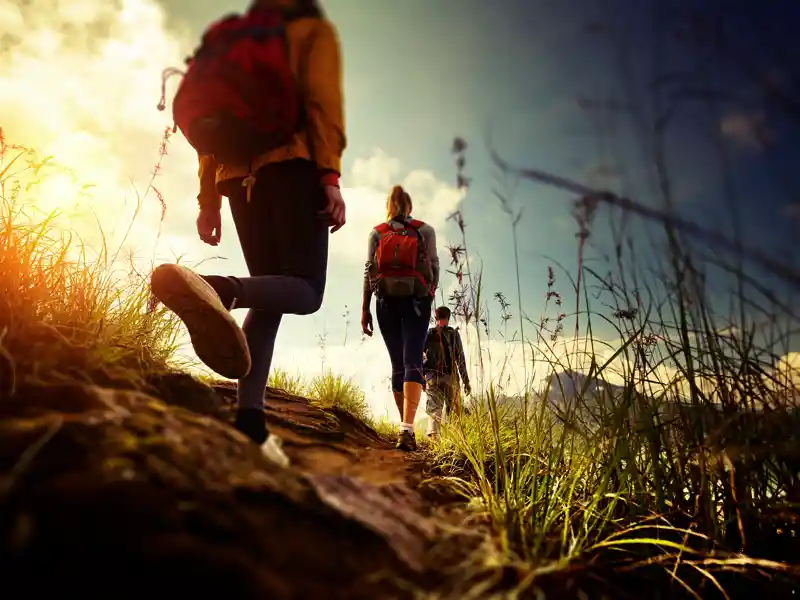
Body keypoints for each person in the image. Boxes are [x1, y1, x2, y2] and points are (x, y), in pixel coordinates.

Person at [149, 0, 346, 467]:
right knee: (307, 289)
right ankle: (218, 290)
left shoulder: (232, 37)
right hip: (294, 168)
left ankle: (250, 423)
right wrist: (330, 179)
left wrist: (209, 200)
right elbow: (322, 103)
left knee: (271, 294)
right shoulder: (310, 31)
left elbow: (210, 134)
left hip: (237, 179)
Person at [361, 185, 439, 451]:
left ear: (389, 207)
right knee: (413, 360)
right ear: (409, 206)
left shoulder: (377, 232)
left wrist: (365, 308)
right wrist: (428, 294)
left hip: (385, 303)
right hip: (417, 301)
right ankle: (407, 427)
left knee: (397, 364)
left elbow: (368, 271)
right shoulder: (424, 230)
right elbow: (434, 267)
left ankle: (404, 427)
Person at [423, 305, 471, 441]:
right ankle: (456, 442)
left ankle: (435, 442)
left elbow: (419, 356)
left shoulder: (428, 334)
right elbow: (460, 358)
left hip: (432, 378)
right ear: (448, 318)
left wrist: (422, 377)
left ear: (435, 317)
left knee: (434, 409)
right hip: (451, 377)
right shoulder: (454, 334)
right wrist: (466, 381)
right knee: (455, 409)